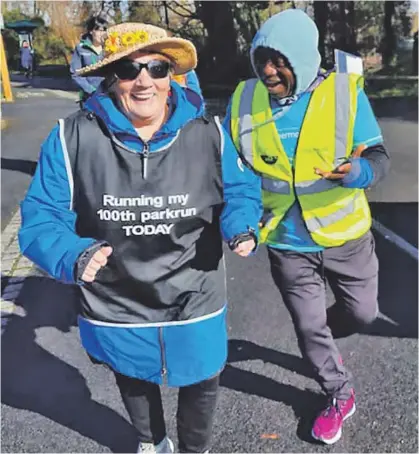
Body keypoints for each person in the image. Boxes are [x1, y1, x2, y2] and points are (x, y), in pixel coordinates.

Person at [19, 22, 252, 453]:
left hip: (192, 290)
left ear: (171, 77)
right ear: (111, 78)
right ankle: (153, 442)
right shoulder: (71, 137)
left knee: (203, 374)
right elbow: (40, 217)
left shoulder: (209, 132)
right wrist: (72, 253)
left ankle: (193, 450)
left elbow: (239, 189)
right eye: (129, 69)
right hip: (116, 296)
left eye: (156, 67)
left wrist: (239, 222)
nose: (143, 80)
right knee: (131, 374)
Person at [221, 9, 390, 445]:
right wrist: (240, 224)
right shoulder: (243, 101)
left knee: (363, 313)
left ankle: (319, 343)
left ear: (301, 58)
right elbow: (236, 175)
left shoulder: (345, 94)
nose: (269, 71)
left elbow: (378, 159)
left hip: (346, 238)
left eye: (279, 62)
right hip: (285, 241)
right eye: (262, 60)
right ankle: (338, 390)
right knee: (309, 324)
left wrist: (358, 173)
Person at [70, 15, 108, 104]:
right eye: (98, 30)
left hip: (109, 94)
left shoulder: (110, 48)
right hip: (89, 96)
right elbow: (75, 74)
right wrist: (91, 90)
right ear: (91, 31)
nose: (102, 33)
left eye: (104, 30)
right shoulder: (81, 48)